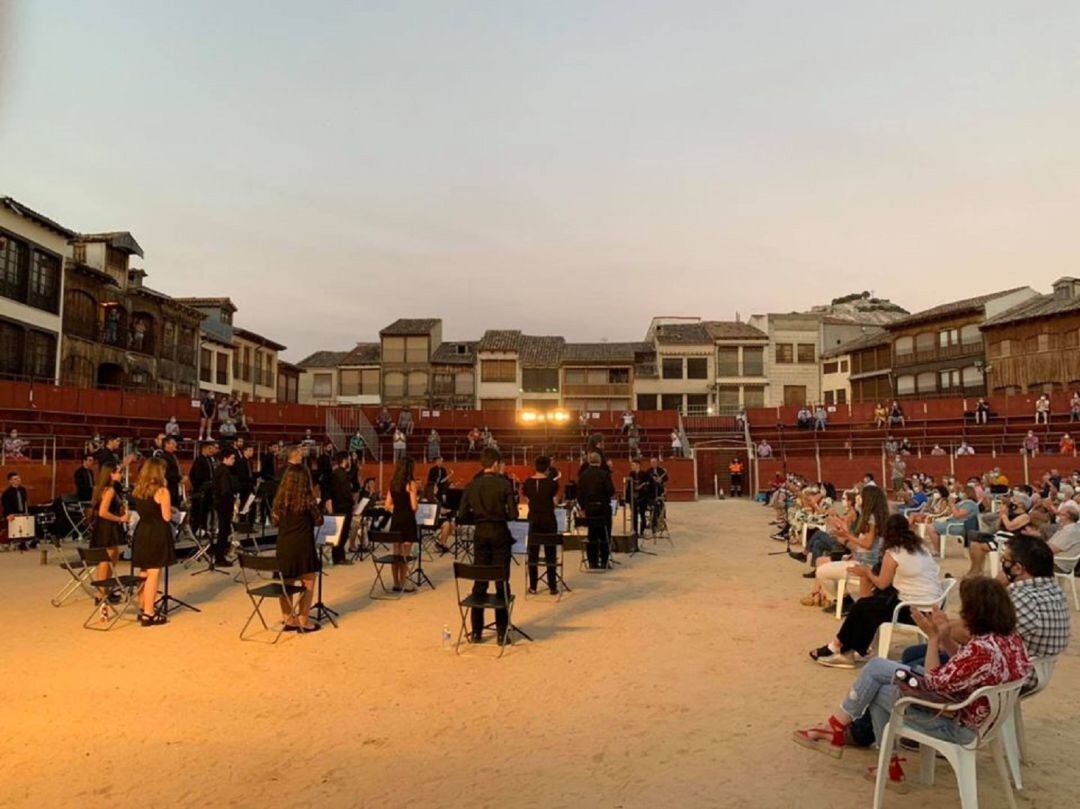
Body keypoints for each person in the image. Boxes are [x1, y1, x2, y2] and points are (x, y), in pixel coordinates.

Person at [794, 576, 1032, 789]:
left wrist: (934, 638)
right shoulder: (1009, 640)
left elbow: (932, 683)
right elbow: (958, 667)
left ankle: (843, 731)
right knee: (879, 674)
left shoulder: (982, 650)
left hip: (956, 724)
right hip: (979, 718)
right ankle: (880, 760)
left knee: (877, 676)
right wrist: (946, 637)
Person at [811, 514, 943, 668]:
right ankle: (840, 647)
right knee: (869, 606)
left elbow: (882, 583)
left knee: (864, 607)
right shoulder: (921, 548)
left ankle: (842, 651)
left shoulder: (894, 552)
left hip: (914, 610)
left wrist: (866, 572)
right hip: (930, 606)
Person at [457, 447, 517, 642]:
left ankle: (476, 632)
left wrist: (480, 516)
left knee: (480, 580)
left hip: (480, 535)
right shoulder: (504, 483)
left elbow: (463, 514)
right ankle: (502, 632)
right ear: (495, 464)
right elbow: (514, 514)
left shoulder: (472, 485)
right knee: (501, 581)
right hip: (500, 533)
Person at [803, 486, 888, 610]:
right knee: (823, 565)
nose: (859, 498)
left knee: (822, 571)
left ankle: (841, 599)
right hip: (864, 560)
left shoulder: (871, 519)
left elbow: (867, 544)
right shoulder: (877, 517)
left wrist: (846, 535)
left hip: (865, 564)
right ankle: (841, 599)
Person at [271, 464, 323, 633]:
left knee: (286, 582)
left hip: (284, 544)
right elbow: (319, 520)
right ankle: (303, 619)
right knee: (308, 580)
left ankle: (288, 618)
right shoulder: (307, 499)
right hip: (303, 545)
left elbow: (274, 522)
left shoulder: (280, 500)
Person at [130, 458, 176, 626]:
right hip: (157, 532)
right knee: (154, 572)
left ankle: (143, 606)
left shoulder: (139, 489)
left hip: (142, 530)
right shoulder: (162, 491)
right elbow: (166, 517)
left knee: (143, 571)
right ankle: (149, 613)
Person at [89, 464, 130, 601]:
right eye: (118, 472)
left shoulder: (103, 488)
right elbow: (103, 512)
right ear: (111, 475)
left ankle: (106, 587)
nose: (121, 475)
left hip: (105, 526)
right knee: (106, 559)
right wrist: (120, 518)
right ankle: (101, 592)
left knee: (113, 556)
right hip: (107, 526)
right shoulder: (110, 490)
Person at [523, 456, 560, 595]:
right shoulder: (552, 483)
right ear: (547, 468)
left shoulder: (527, 482)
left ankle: (533, 586)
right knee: (551, 552)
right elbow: (555, 502)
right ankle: (552, 586)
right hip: (549, 520)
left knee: (533, 553)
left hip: (533, 519)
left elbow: (527, 499)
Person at [577, 451, 616, 570]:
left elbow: (579, 494)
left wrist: (583, 508)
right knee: (605, 534)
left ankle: (592, 562)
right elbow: (611, 491)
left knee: (592, 535)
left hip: (589, 509)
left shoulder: (583, 475)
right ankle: (604, 562)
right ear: (599, 462)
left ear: (589, 461)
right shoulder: (604, 474)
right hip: (603, 508)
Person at [385, 456, 419, 592]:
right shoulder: (411, 484)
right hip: (408, 520)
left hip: (396, 519)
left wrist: (397, 507)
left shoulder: (393, 483)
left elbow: (387, 504)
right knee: (405, 554)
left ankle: (396, 583)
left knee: (396, 553)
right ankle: (404, 582)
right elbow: (414, 506)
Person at [326, 451, 354, 566]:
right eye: (349, 459)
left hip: (339, 506)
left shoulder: (336, 473)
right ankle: (339, 557)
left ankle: (338, 556)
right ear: (345, 460)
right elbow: (345, 492)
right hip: (343, 506)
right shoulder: (341, 474)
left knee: (340, 533)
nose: (350, 462)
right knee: (342, 533)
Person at [212, 448, 237, 567]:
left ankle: (220, 555)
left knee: (224, 531)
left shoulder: (221, 469)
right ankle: (220, 557)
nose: (234, 460)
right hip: (224, 505)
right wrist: (233, 499)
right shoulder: (223, 471)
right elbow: (225, 490)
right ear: (225, 458)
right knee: (223, 531)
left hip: (221, 504)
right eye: (232, 458)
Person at [188, 441, 216, 536]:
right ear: (204, 449)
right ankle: (195, 530)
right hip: (200, 490)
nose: (211, 450)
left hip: (209, 490)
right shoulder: (199, 460)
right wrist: (199, 485)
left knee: (206, 511)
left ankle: (204, 529)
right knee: (198, 512)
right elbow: (193, 475)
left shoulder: (209, 460)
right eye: (209, 448)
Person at [2, 471, 31, 550]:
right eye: (15, 479)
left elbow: (24, 502)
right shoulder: (7, 493)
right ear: (10, 481)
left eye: (18, 478)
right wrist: (10, 514)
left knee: (26, 523)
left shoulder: (23, 490)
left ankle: (23, 543)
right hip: (11, 513)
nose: (18, 480)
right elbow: (6, 506)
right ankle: (9, 542)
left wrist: (25, 512)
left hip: (21, 512)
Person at [625, 458, 651, 537]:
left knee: (642, 515)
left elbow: (649, 484)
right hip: (633, 497)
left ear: (638, 465)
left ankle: (642, 531)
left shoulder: (644, 474)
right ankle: (634, 531)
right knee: (634, 515)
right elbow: (629, 486)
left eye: (633, 465)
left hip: (642, 497)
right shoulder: (631, 474)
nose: (631, 467)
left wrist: (643, 486)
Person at [160, 436, 183, 508]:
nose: (175, 445)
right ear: (166, 444)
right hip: (169, 487)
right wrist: (180, 478)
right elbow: (167, 474)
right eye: (173, 443)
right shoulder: (164, 457)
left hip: (175, 487)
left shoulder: (172, 456)